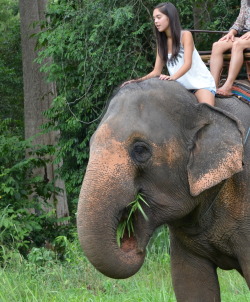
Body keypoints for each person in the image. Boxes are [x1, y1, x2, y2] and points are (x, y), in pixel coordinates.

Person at [121, 2, 216, 106]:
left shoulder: (185, 35)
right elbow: (156, 72)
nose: (156, 21)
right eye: (154, 19)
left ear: (170, 17)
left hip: (200, 85)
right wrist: (136, 81)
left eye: (159, 17)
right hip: (181, 88)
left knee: (208, 115)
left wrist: (172, 77)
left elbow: (187, 64)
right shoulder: (161, 43)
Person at [210, 0, 250, 97]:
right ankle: (212, 86)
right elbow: (240, 21)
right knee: (217, 45)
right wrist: (231, 32)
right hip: (246, 36)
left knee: (238, 44)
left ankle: (228, 86)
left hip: (245, 38)